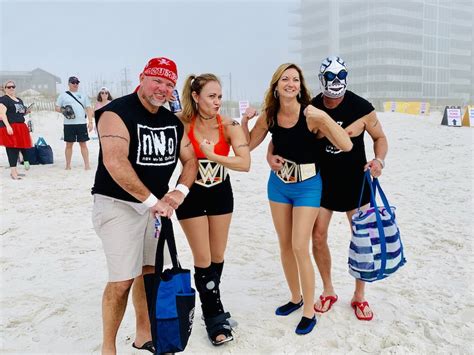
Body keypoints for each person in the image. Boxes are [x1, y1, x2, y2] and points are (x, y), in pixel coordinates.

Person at [267, 56, 388, 321]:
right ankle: (328, 290)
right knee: (318, 237)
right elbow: (286, 136)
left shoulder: (362, 107)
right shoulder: (311, 107)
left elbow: (380, 138)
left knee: (362, 239)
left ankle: (359, 295)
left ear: (346, 77)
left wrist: (378, 160)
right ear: (321, 80)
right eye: (330, 78)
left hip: (356, 183)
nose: (336, 82)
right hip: (322, 182)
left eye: (340, 77)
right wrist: (269, 154)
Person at [91, 57, 198, 355]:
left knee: (148, 271)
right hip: (118, 205)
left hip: (156, 208)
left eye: (168, 84)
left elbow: (190, 161)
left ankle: (143, 334)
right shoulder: (115, 113)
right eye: (157, 80)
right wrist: (155, 201)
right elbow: (115, 161)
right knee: (123, 279)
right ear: (142, 77)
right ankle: (108, 348)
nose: (161, 88)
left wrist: (179, 192)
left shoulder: (172, 122)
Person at [241, 63, 352, 335]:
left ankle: (309, 311)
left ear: (301, 86)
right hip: (278, 185)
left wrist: (324, 118)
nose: (290, 83)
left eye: (295, 79)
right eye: (284, 79)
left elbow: (346, 145)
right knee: (285, 245)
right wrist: (245, 122)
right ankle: (295, 298)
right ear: (276, 86)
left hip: (308, 186)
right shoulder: (270, 115)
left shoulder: (312, 114)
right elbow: (246, 146)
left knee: (300, 246)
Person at [174, 73, 250, 346]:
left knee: (217, 255)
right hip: (190, 193)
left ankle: (210, 304)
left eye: (220, 96)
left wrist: (214, 155)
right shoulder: (181, 122)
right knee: (203, 257)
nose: (218, 101)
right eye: (211, 96)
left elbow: (245, 163)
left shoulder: (228, 125)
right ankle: (215, 317)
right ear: (196, 96)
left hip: (220, 192)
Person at [55, 76, 94, 170]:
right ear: (69, 84)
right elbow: (56, 107)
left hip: (81, 123)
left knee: (83, 144)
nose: (75, 84)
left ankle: (87, 165)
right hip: (69, 124)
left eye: (77, 82)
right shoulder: (63, 95)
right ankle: (68, 165)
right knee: (69, 144)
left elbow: (89, 108)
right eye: (73, 82)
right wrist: (65, 111)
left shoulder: (83, 95)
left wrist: (90, 121)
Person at [0, 80, 33, 180]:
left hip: (21, 126)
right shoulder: (4, 99)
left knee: (20, 147)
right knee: (12, 149)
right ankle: (13, 173)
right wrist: (8, 126)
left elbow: (20, 113)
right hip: (11, 126)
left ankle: (16, 171)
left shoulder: (19, 100)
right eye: (9, 87)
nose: (11, 89)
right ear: (5, 88)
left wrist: (27, 112)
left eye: (13, 87)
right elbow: (2, 114)